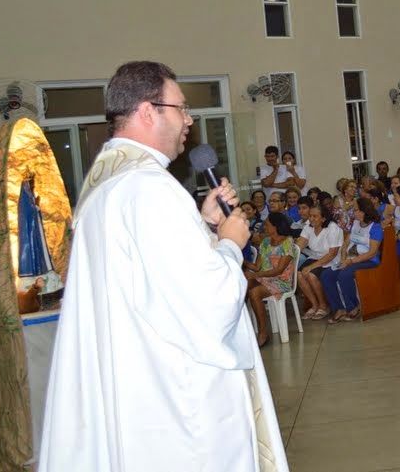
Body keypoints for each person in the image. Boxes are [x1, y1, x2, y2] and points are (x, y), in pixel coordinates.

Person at [39, 60, 287, 471]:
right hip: (176, 401)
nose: (189, 120)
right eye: (181, 107)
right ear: (148, 110)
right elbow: (208, 304)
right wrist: (230, 243)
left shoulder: (105, 187)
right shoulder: (150, 188)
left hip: (134, 385)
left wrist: (204, 224)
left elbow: (155, 274)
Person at [320, 197, 382, 322]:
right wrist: (343, 259)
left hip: (368, 261)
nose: (354, 213)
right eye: (354, 210)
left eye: (357, 210)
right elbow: (345, 245)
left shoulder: (375, 227)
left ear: (366, 211)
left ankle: (353, 307)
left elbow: (372, 252)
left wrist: (350, 262)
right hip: (350, 259)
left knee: (344, 274)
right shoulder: (356, 223)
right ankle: (338, 308)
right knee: (326, 275)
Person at [244, 212, 297, 347]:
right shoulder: (266, 242)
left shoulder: (287, 242)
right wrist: (241, 260)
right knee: (243, 283)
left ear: (276, 226)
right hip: (264, 278)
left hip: (281, 281)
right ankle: (243, 326)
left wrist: (256, 275)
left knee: (254, 292)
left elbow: (279, 270)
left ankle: (263, 332)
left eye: (267, 225)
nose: (264, 227)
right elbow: (257, 267)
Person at [295, 205, 343, 320]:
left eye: (315, 216)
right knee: (299, 274)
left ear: (323, 218)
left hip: (332, 260)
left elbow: (332, 254)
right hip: (315, 257)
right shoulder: (308, 227)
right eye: (310, 216)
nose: (311, 219)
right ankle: (314, 305)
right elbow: (299, 245)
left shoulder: (332, 228)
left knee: (311, 275)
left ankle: (323, 306)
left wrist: (311, 267)